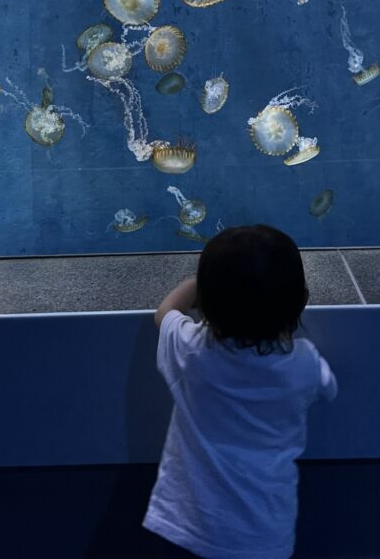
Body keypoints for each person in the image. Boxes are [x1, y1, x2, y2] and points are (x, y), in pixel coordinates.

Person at [143, 225, 338, 559]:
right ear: (302, 300)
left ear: (205, 304)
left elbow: (165, 314)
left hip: (188, 525)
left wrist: (194, 285)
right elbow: (328, 388)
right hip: (265, 530)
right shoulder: (303, 364)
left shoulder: (193, 351)